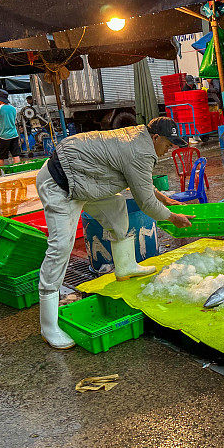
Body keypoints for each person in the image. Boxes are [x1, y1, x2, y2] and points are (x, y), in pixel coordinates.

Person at [36, 117, 195, 349]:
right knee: (60, 247)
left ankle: (125, 266)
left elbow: (140, 181)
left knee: (117, 206)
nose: (169, 149)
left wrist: (166, 199)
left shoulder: (139, 142)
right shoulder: (140, 150)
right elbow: (146, 203)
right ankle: (48, 326)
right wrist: (172, 217)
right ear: (155, 137)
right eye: (168, 144)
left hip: (84, 182)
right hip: (60, 185)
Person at [0, 89, 21, 166]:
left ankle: (1, 175)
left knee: (1, 158)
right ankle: (18, 172)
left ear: (0, 99)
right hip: (14, 135)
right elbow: (14, 122)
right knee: (16, 156)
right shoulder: (14, 108)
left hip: (3, 136)